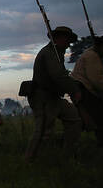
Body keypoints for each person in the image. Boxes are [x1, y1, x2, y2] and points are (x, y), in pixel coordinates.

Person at [25, 26, 82, 161]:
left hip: (53, 97)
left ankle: (66, 155)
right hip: (43, 97)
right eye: (67, 40)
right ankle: (30, 161)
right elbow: (58, 76)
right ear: (59, 38)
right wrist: (74, 90)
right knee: (43, 131)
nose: (68, 44)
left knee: (74, 119)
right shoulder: (49, 53)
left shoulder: (57, 53)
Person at [71, 33, 103, 146]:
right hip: (84, 91)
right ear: (102, 47)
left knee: (90, 120)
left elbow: (98, 76)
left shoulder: (90, 55)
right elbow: (96, 80)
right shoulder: (92, 56)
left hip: (81, 90)